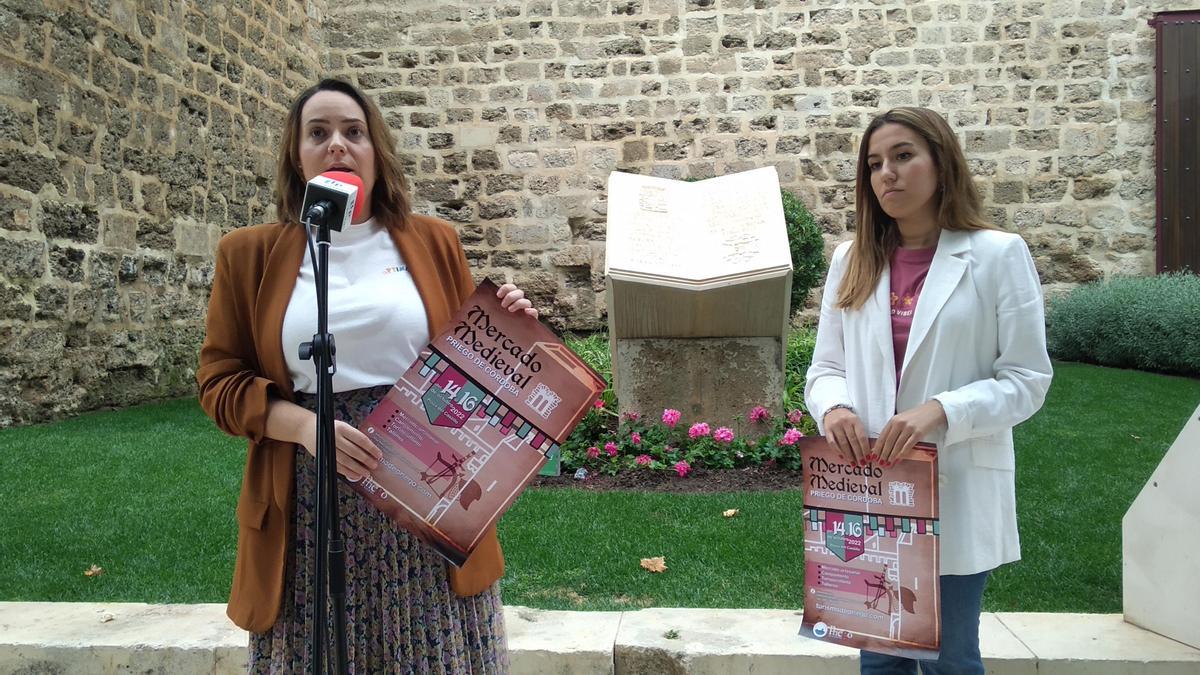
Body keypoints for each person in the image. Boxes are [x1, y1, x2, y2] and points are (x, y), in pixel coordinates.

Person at [197, 78, 538, 673]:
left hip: (427, 486)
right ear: (295, 156)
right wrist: (305, 427)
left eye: (353, 132)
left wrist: (508, 324)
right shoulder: (246, 255)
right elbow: (219, 382)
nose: (337, 145)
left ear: (375, 151)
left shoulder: (433, 242)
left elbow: (473, 364)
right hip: (308, 497)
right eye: (318, 133)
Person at [805, 107, 1053, 674]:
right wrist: (834, 406)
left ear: (941, 164)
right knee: (880, 656)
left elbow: (1027, 380)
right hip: (869, 490)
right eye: (874, 164)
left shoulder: (996, 255)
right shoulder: (852, 261)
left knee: (950, 656)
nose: (886, 173)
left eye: (903, 156)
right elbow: (824, 368)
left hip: (954, 486)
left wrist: (941, 410)